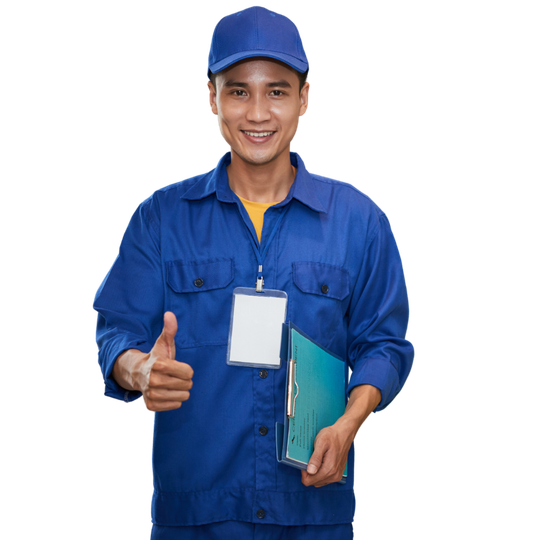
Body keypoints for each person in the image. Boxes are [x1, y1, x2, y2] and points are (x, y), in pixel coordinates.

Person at [92, 5, 414, 539]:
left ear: (305, 98)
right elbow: (115, 332)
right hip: (195, 518)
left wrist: (349, 423)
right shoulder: (160, 218)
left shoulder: (360, 221)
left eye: (278, 91)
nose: (258, 113)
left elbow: (386, 343)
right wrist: (137, 370)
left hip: (313, 513)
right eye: (238, 91)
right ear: (211, 98)